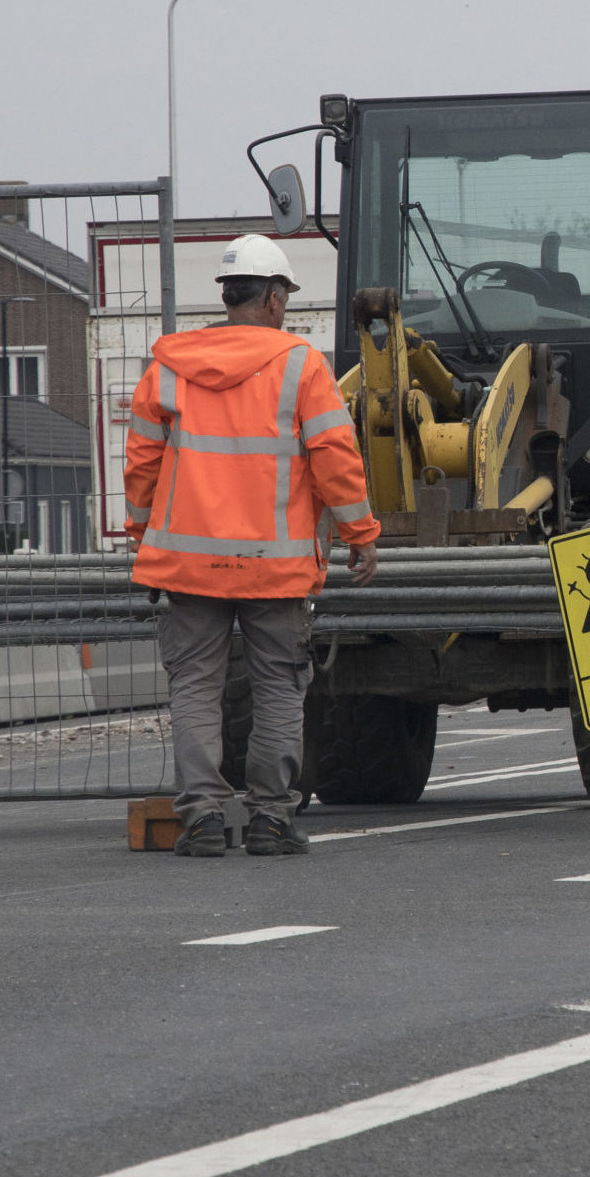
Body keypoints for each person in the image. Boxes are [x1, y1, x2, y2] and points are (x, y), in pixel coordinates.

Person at [124, 235, 380, 858]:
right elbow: (335, 456)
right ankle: (270, 819)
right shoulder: (302, 366)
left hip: (189, 563)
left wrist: (142, 533)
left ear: (228, 296)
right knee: (278, 688)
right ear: (272, 299)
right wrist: (360, 533)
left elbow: (142, 462)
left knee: (194, 687)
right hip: (275, 566)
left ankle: (203, 819)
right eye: (284, 297)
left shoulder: (170, 366)